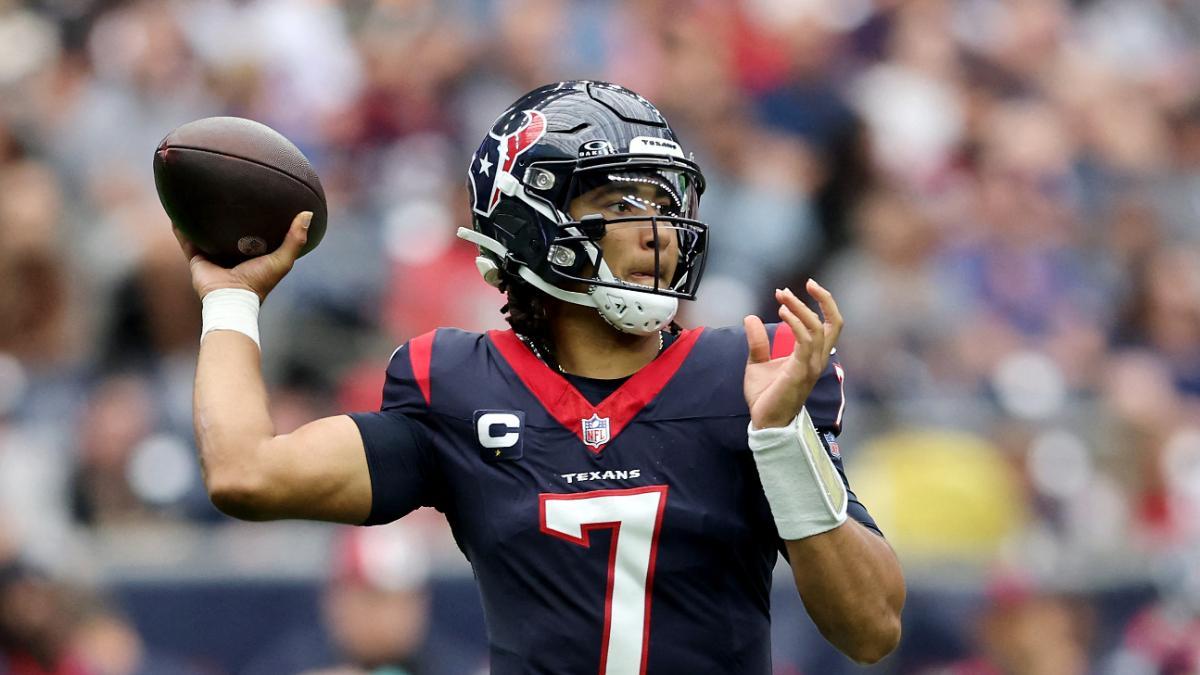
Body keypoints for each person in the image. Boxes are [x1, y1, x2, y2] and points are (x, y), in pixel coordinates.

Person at [177, 81, 905, 672]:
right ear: (533, 221)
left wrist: (781, 442)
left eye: (663, 203)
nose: (654, 231)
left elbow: (871, 628)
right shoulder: (458, 384)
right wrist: (233, 299)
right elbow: (246, 471)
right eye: (620, 204)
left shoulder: (748, 375)